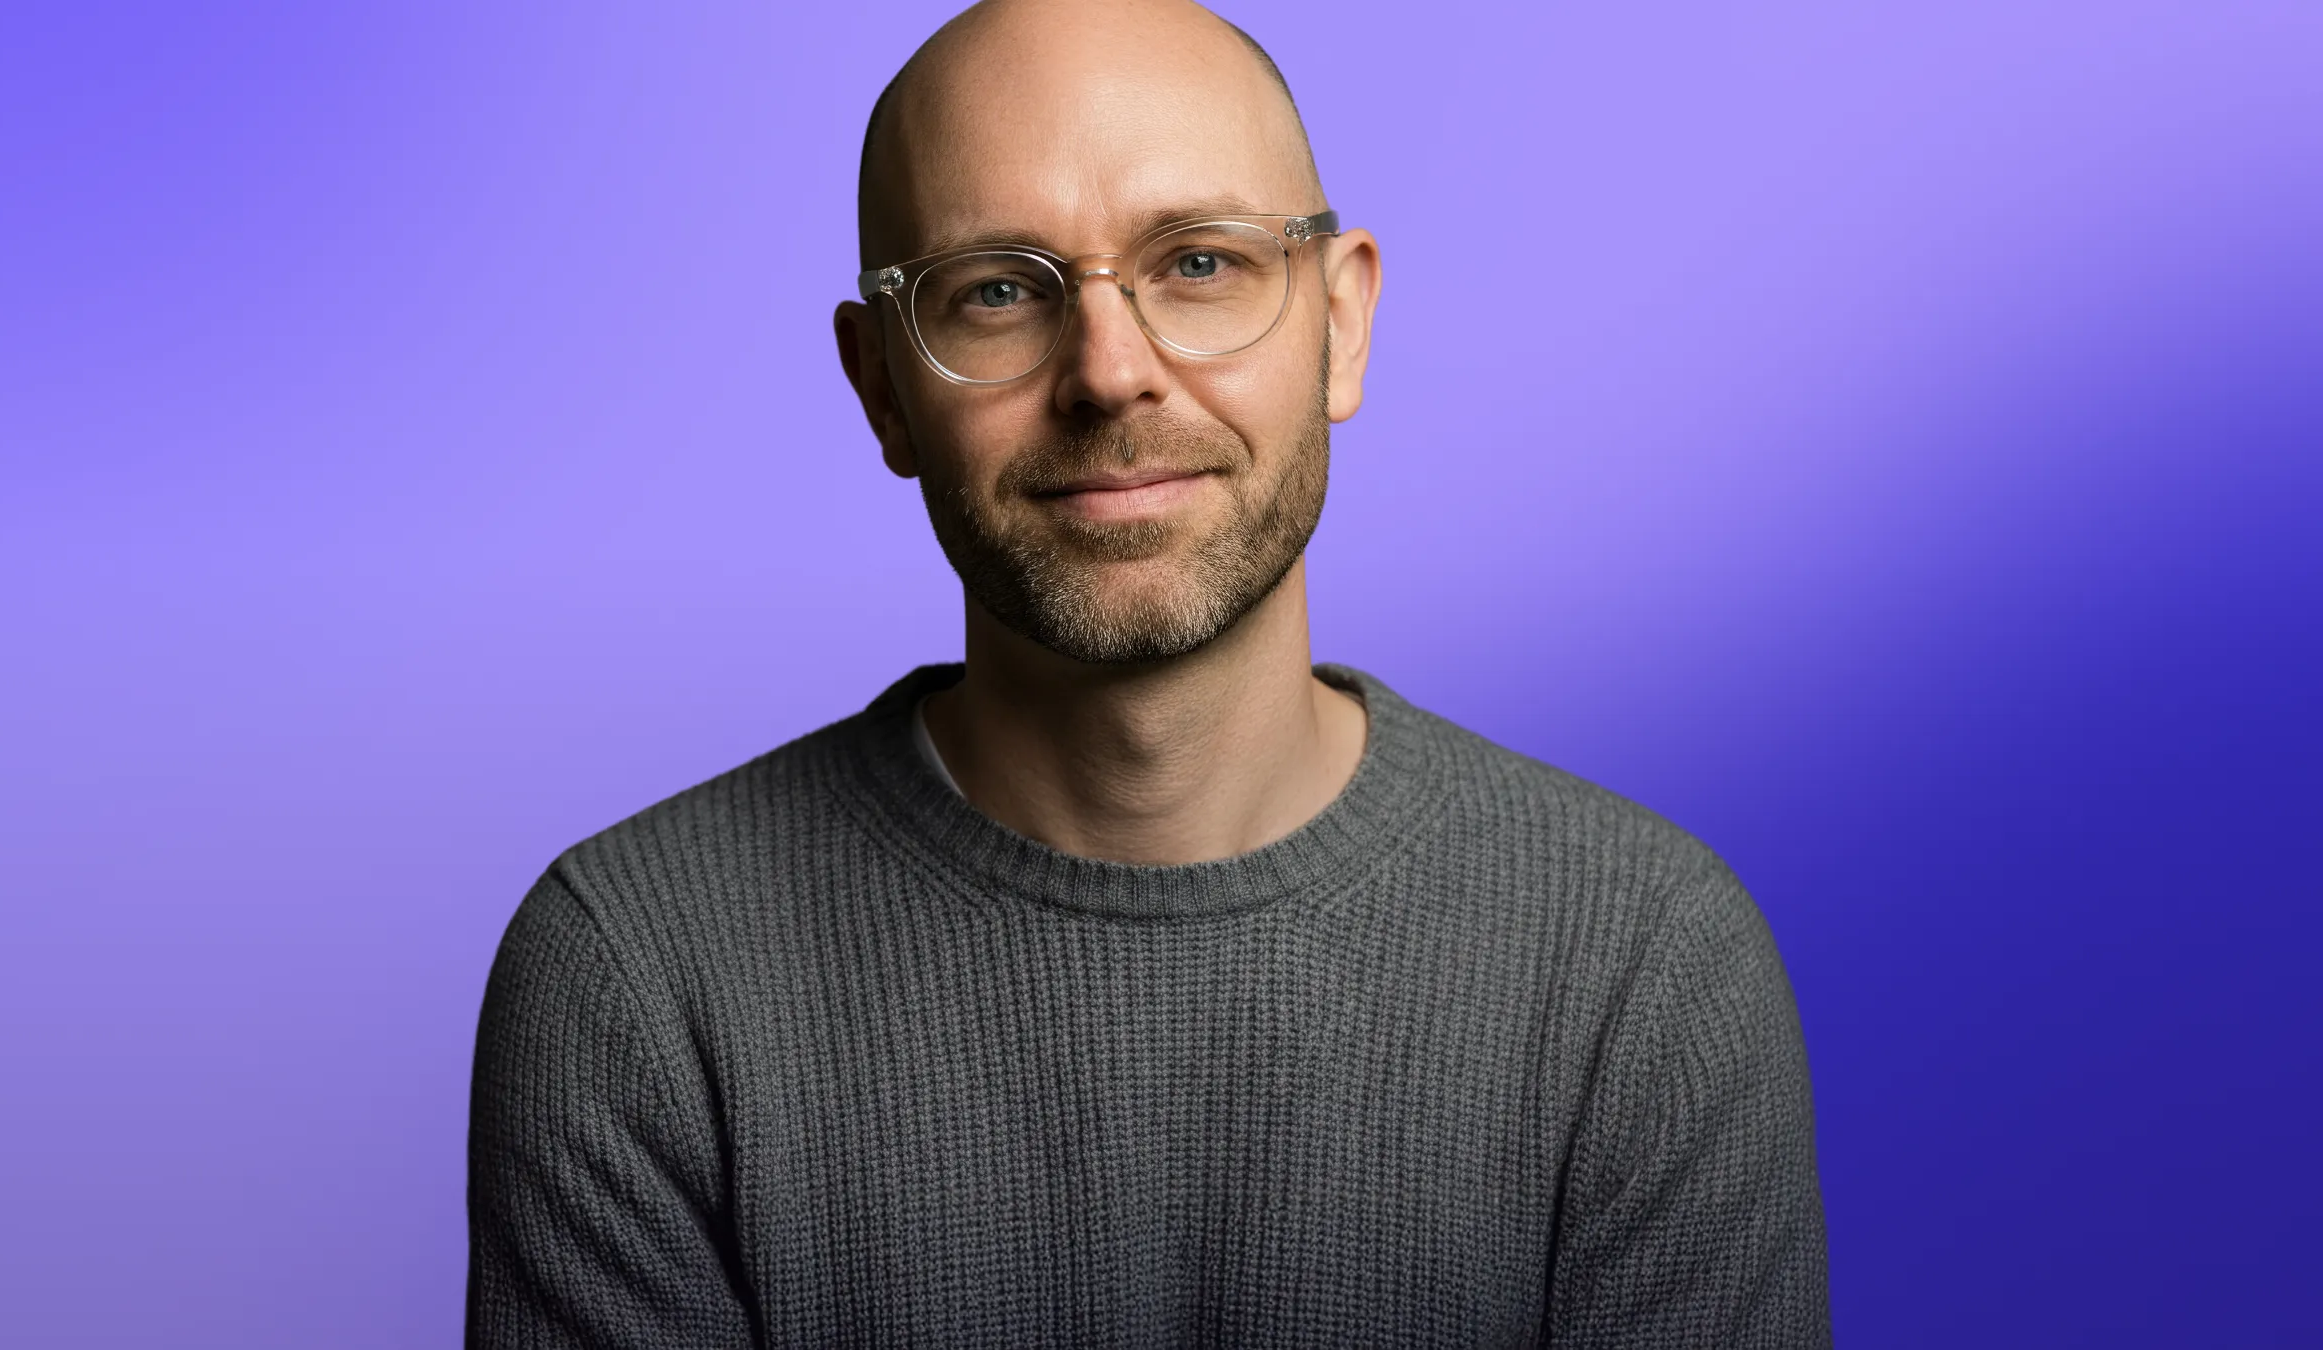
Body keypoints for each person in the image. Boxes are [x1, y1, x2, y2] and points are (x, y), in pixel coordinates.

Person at [464, 0, 1830, 1344]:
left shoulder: (1642, 968)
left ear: (1341, 322)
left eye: (1200, 265)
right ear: (882, 384)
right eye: (997, 288)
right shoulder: (640, 978)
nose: (1111, 373)